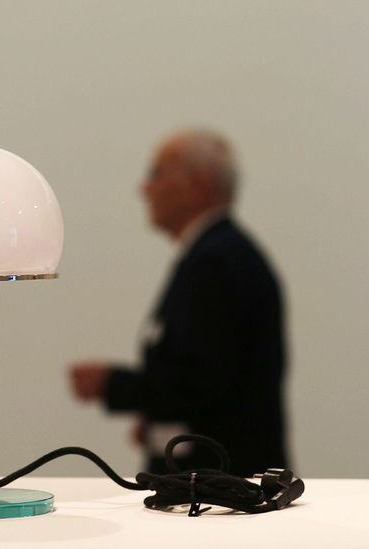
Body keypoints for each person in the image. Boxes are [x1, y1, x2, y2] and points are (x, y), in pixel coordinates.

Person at [69, 129, 288, 477]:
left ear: (198, 184)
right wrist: (156, 419)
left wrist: (112, 384)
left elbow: (201, 381)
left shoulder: (218, 262)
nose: (144, 189)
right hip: (215, 481)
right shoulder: (215, 255)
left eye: (156, 174)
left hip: (221, 487)